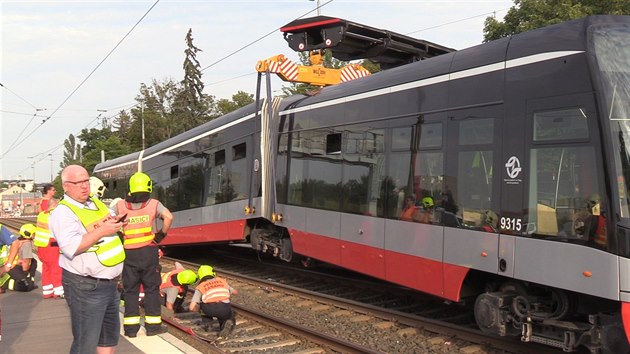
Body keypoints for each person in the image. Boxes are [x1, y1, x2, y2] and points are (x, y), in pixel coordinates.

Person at [49, 165, 127, 354]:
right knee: (85, 342)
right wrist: (103, 229)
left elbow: (100, 225)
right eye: (78, 183)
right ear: (66, 186)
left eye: (86, 181)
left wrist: (114, 224)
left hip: (109, 283)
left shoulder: (95, 203)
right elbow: (71, 247)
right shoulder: (63, 213)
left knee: (108, 338)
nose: (85, 186)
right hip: (85, 286)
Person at [115, 172, 173, 337]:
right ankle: (153, 328)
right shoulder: (153, 204)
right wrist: (160, 235)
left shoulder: (120, 205)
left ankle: (131, 329)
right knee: (151, 290)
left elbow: (108, 220)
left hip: (128, 254)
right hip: (148, 252)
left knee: (130, 290)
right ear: (148, 186)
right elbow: (169, 217)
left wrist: (120, 236)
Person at [189, 265, 237, 337]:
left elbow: (191, 307)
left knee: (202, 306)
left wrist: (198, 309)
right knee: (228, 315)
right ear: (213, 273)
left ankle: (208, 325)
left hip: (208, 309)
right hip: (223, 308)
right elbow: (235, 292)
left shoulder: (200, 286)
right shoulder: (221, 281)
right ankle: (224, 325)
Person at [34, 198, 64, 298]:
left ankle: (47, 291)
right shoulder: (54, 215)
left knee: (46, 268)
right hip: (51, 244)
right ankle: (58, 291)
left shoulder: (42, 214)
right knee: (56, 268)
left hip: (41, 245)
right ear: (56, 205)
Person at [1, 224, 38, 292]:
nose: (35, 235)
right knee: (27, 286)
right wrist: (25, 273)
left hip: (8, 267)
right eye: (34, 233)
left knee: (33, 261)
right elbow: (26, 263)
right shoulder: (27, 244)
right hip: (14, 268)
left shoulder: (17, 241)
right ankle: (5, 285)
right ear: (30, 234)